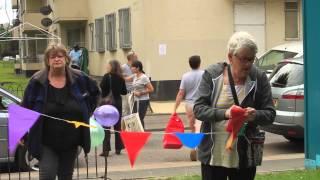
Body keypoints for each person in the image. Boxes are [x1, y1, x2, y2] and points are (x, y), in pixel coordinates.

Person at [193, 32, 276, 180]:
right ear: (230, 57)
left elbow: (270, 114)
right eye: (244, 59)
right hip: (214, 156)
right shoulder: (212, 75)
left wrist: (255, 115)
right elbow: (198, 109)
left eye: (252, 59)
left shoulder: (259, 78)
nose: (248, 64)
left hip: (245, 157)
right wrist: (226, 114)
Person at [21, 43, 100, 180]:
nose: (56, 59)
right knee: (47, 175)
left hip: (71, 140)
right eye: (52, 57)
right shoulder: (37, 81)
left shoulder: (79, 78)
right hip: (45, 140)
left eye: (60, 56)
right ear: (47, 60)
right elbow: (25, 107)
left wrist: (86, 111)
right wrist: (21, 132)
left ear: (66, 59)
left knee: (66, 176)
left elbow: (96, 92)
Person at [173, 55, 204, 161]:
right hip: (201, 104)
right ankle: (198, 148)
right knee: (200, 127)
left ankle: (193, 147)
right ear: (199, 63)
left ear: (189, 64)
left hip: (189, 104)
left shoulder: (185, 76)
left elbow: (181, 93)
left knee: (192, 128)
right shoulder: (204, 74)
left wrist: (175, 107)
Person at [100, 60, 127, 156]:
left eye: (108, 65)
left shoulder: (106, 76)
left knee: (106, 126)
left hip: (108, 103)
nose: (107, 66)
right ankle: (118, 148)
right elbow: (124, 92)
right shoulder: (121, 78)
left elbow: (102, 88)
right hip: (117, 103)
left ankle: (106, 150)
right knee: (117, 126)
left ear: (111, 66)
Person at [131, 60, 154, 128]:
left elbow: (151, 89)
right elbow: (126, 79)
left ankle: (141, 134)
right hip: (136, 100)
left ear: (137, 68)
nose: (131, 68)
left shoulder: (144, 77)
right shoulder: (135, 76)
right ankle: (138, 134)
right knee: (136, 118)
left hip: (143, 101)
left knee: (140, 118)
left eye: (133, 67)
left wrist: (141, 93)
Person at [121, 51, 138, 116]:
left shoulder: (136, 67)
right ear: (131, 58)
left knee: (133, 111)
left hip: (134, 92)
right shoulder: (123, 67)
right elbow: (121, 78)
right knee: (125, 111)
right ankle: (125, 125)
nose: (137, 59)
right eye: (136, 57)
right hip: (126, 92)